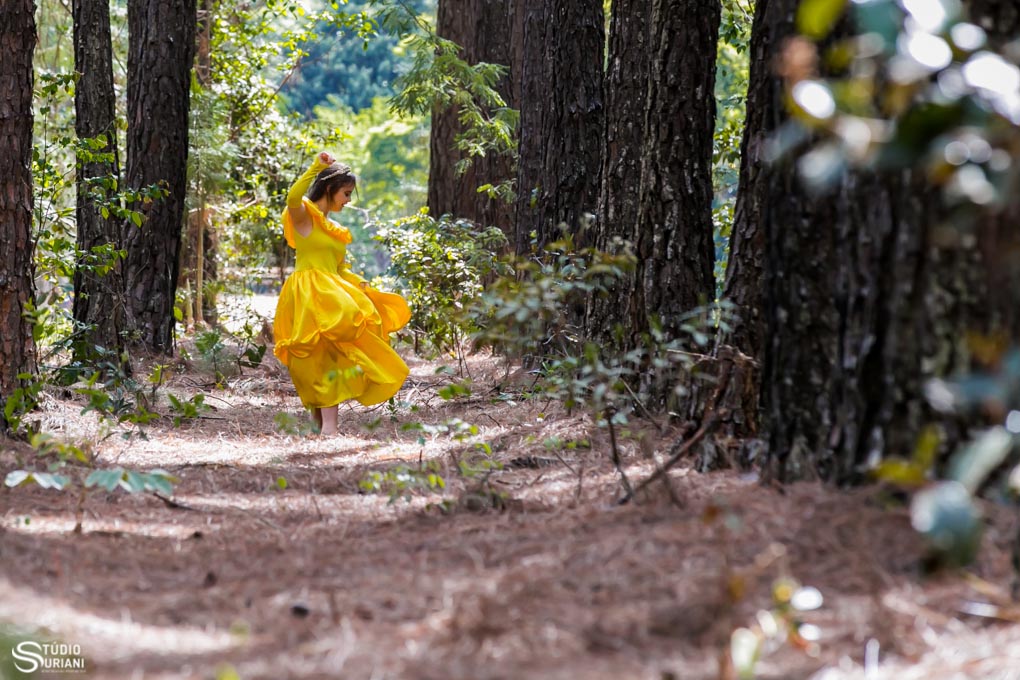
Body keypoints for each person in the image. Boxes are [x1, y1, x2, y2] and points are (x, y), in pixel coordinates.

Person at [273, 151, 410, 435]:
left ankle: (328, 429)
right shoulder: (304, 218)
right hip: (307, 293)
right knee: (310, 359)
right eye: (346, 193)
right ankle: (321, 427)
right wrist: (315, 167)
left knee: (334, 356)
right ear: (329, 189)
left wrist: (363, 288)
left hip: (332, 294)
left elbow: (339, 268)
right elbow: (292, 199)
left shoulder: (335, 229)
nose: (348, 201)